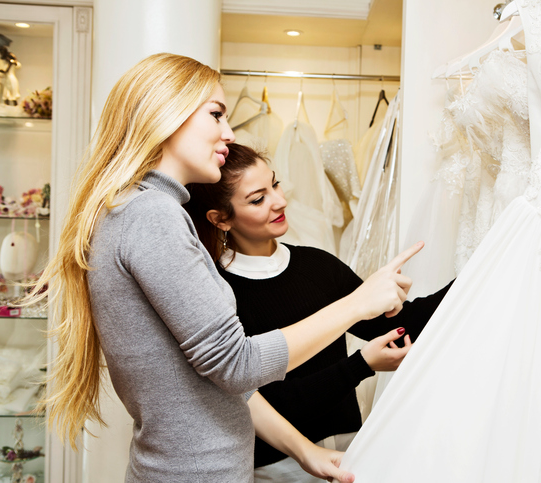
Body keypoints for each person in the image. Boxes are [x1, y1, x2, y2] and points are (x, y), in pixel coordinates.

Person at [24, 53, 423, 483]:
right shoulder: (151, 216)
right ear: (167, 114)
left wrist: (305, 451)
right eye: (216, 114)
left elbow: (221, 379)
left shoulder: (137, 210)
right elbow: (238, 364)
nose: (229, 134)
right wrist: (357, 305)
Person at [183, 143, 454, 482]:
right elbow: (267, 403)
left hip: (350, 449)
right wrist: (361, 365)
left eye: (275, 185)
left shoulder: (317, 265)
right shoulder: (217, 293)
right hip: (274, 465)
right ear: (220, 218)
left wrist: (476, 277)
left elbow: (400, 326)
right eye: (258, 199)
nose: (280, 201)